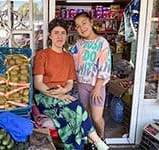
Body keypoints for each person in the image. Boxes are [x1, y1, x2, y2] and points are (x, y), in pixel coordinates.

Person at [33, 18, 109, 150]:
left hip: (62, 94)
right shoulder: (42, 55)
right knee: (77, 107)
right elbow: (38, 83)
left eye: (63, 33)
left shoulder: (69, 57)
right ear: (50, 36)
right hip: (44, 96)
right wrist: (56, 95)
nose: (60, 36)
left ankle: (84, 145)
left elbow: (69, 83)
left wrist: (63, 92)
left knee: (74, 111)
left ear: (66, 36)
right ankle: (96, 141)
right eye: (56, 33)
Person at [70, 12, 112, 140]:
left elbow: (105, 65)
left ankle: (101, 137)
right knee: (86, 116)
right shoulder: (78, 44)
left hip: (97, 86)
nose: (81, 28)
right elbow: (69, 60)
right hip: (82, 85)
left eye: (84, 23)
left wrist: (98, 87)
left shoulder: (102, 43)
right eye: (78, 26)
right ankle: (91, 140)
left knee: (96, 117)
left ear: (91, 22)